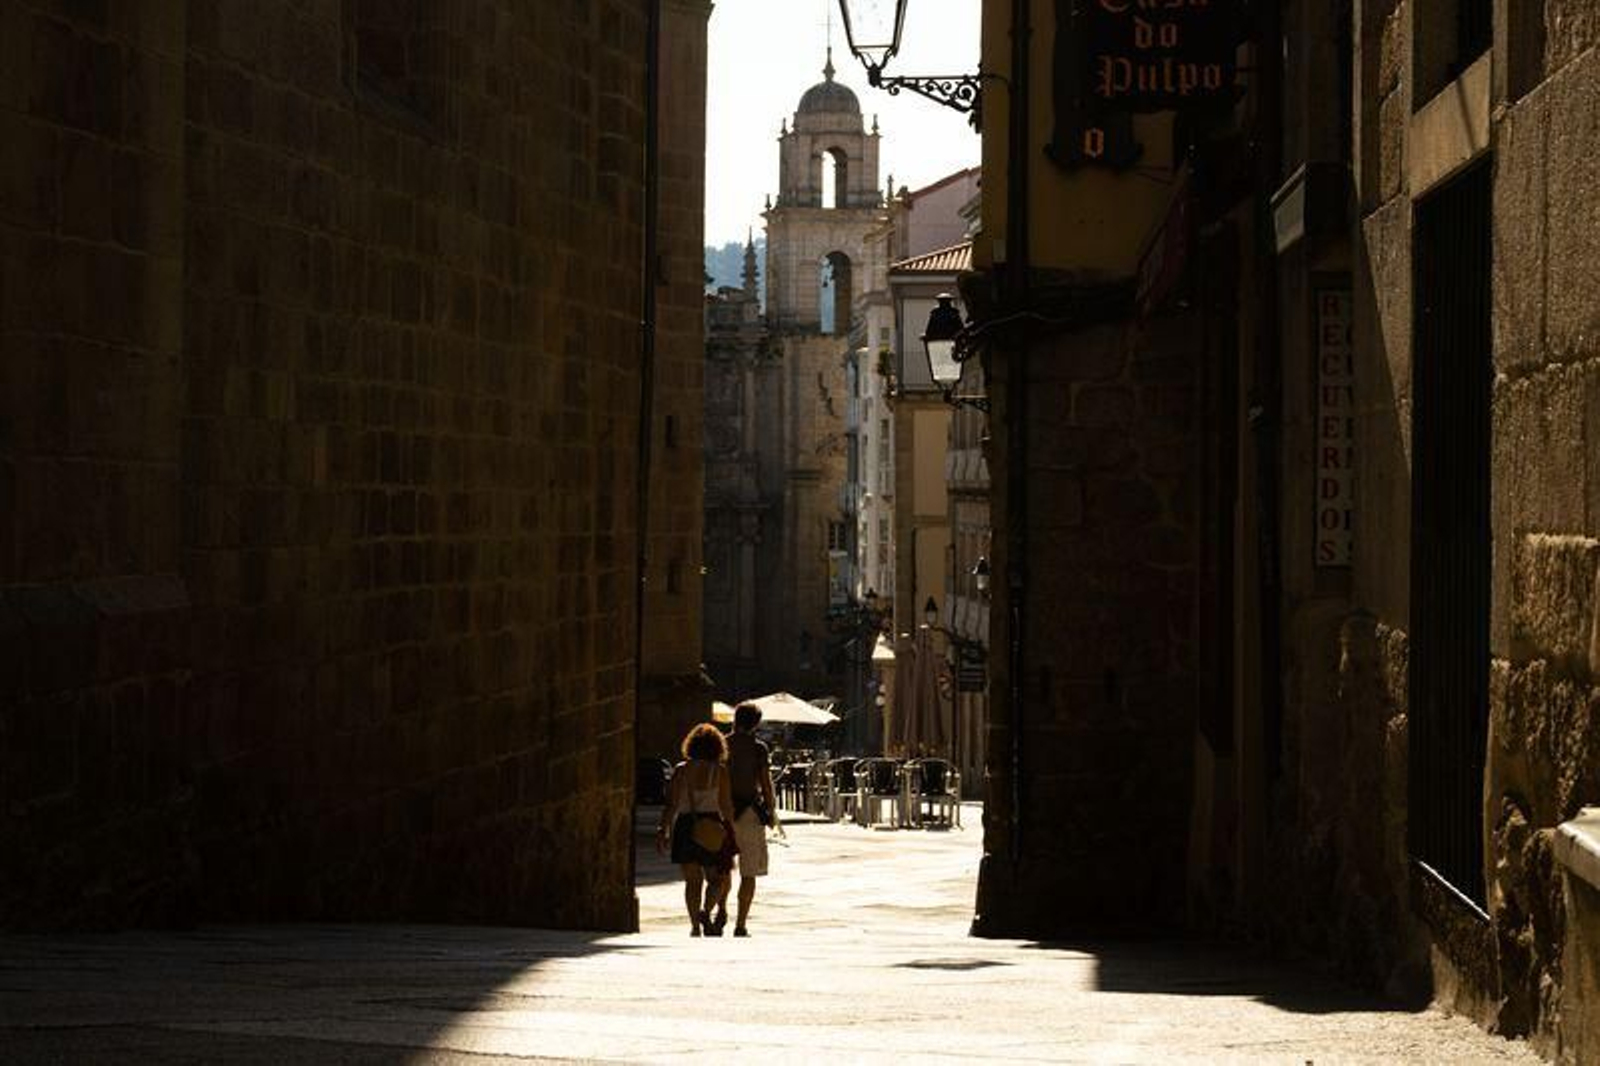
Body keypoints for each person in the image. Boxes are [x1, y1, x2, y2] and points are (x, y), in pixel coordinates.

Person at [658, 723, 736, 937]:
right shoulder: (719, 771)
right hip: (711, 825)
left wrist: (663, 830)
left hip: (685, 826)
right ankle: (706, 911)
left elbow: (671, 804)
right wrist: (730, 832)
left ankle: (694, 926)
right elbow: (726, 805)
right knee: (716, 879)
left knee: (692, 881)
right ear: (717, 747)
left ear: (691, 745)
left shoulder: (681, 770)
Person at [721, 702, 777, 937]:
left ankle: (720, 910)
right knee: (749, 871)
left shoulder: (722, 744)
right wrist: (771, 811)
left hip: (724, 811)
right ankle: (741, 923)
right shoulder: (759, 749)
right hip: (750, 813)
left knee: (723, 868)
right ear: (755, 724)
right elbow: (765, 784)